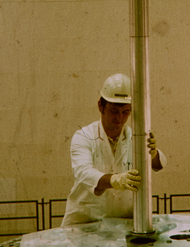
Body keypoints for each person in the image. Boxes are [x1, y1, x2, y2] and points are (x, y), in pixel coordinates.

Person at [60, 73, 166, 227]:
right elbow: (83, 172)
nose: (120, 118)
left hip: (124, 221)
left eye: (125, 112)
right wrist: (115, 180)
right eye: (114, 111)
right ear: (100, 106)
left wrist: (153, 153)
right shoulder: (83, 136)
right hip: (86, 221)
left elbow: (157, 164)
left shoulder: (134, 137)